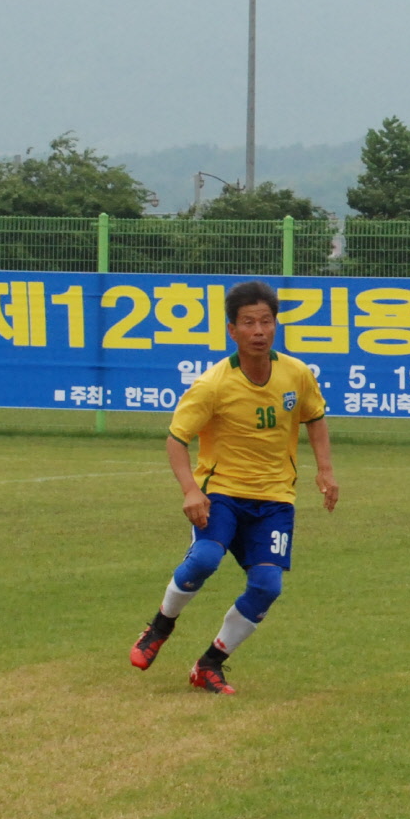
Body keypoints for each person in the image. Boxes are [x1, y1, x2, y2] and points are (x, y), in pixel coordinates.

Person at [131, 280, 339, 693]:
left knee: (267, 586)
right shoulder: (213, 384)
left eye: (266, 321)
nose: (259, 331)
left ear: (276, 325)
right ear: (232, 330)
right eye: (248, 323)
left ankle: (209, 664)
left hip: (275, 500)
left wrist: (325, 470)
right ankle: (160, 626)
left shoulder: (295, 373)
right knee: (205, 558)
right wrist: (192, 490)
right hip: (222, 493)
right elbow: (176, 439)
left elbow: (314, 417)